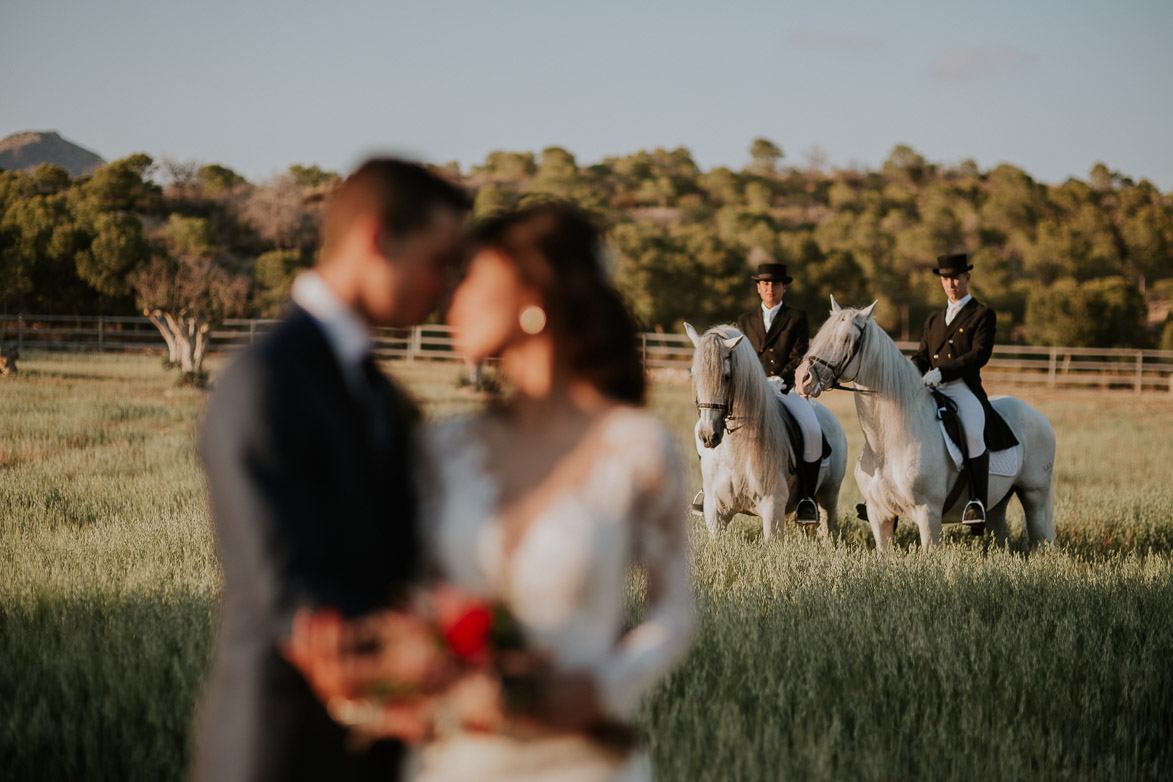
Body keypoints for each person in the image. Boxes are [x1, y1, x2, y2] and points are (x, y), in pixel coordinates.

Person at [191, 158, 470, 782]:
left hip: (384, 745)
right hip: (282, 748)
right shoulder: (265, 380)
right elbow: (288, 591)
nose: (445, 284)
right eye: (439, 260)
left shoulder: (383, 395)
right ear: (377, 240)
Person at [412, 203, 695, 781]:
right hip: (457, 760)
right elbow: (412, 595)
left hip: (584, 761)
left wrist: (601, 688)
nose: (452, 298)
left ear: (534, 302)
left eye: (472, 278)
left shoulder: (636, 447)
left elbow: (674, 613)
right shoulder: (443, 450)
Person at [911, 252, 1016, 526]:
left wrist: (943, 372)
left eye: (956, 278)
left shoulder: (982, 314)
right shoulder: (933, 319)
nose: (951, 284)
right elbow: (923, 355)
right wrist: (908, 372)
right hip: (931, 387)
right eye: (946, 279)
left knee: (971, 431)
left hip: (961, 387)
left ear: (967, 277)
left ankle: (977, 503)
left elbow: (979, 355)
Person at [735, 257, 822, 524]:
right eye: (764, 284)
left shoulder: (796, 317)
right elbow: (738, 356)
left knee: (812, 430)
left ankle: (806, 498)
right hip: (751, 391)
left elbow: (800, 355)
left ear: (784, 288)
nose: (770, 288)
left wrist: (781, 380)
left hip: (785, 390)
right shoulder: (745, 320)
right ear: (758, 288)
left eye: (775, 284)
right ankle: (711, 490)